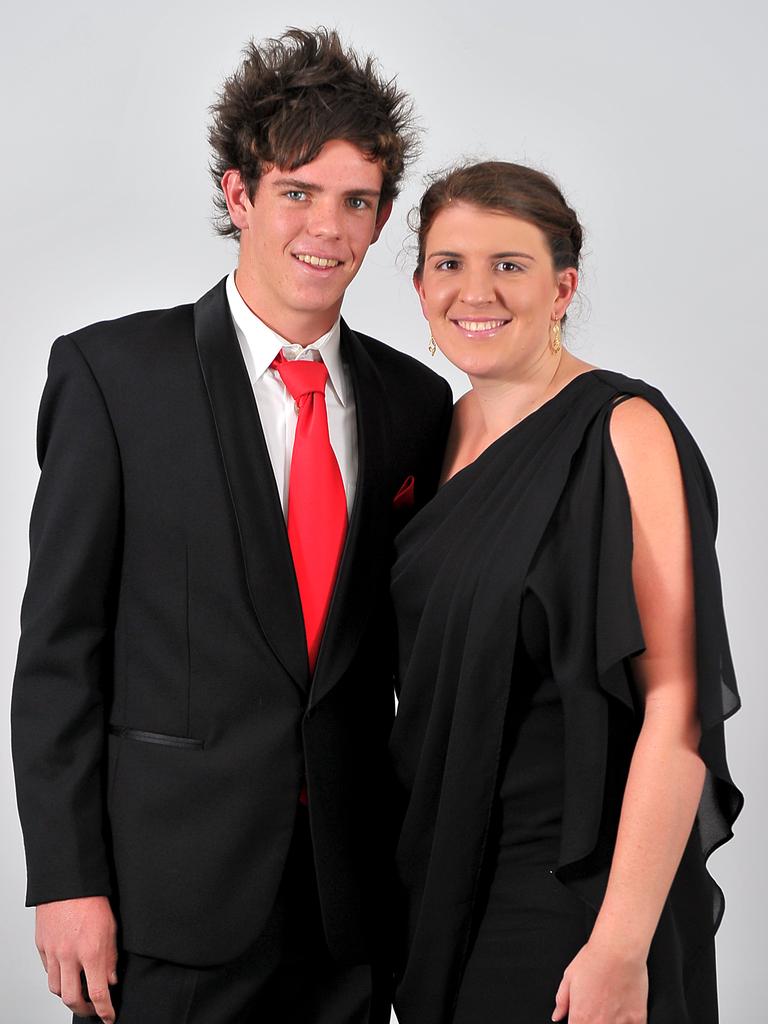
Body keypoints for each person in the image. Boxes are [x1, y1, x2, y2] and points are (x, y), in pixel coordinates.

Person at [11, 28, 452, 1024]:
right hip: (164, 905)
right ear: (239, 194)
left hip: (352, 906)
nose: (328, 228)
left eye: (357, 201)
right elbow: (58, 657)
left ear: (381, 218)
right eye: (298, 191)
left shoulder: (415, 404)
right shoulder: (115, 379)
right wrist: (64, 878)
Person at [389, 161, 742, 1024]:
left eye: (510, 264)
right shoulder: (432, 432)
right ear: (419, 286)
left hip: (570, 888)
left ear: (562, 287)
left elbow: (678, 706)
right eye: (449, 264)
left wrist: (619, 947)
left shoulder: (624, 428)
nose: (477, 291)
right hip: (438, 875)